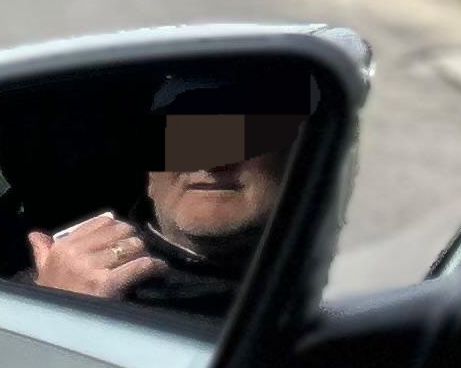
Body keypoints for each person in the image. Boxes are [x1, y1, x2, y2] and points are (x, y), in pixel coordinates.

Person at [25, 73, 303, 314]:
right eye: (183, 138)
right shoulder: (65, 278)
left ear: (296, 158)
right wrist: (57, 314)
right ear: (150, 173)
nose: (212, 160)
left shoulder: (330, 276)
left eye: (247, 136)